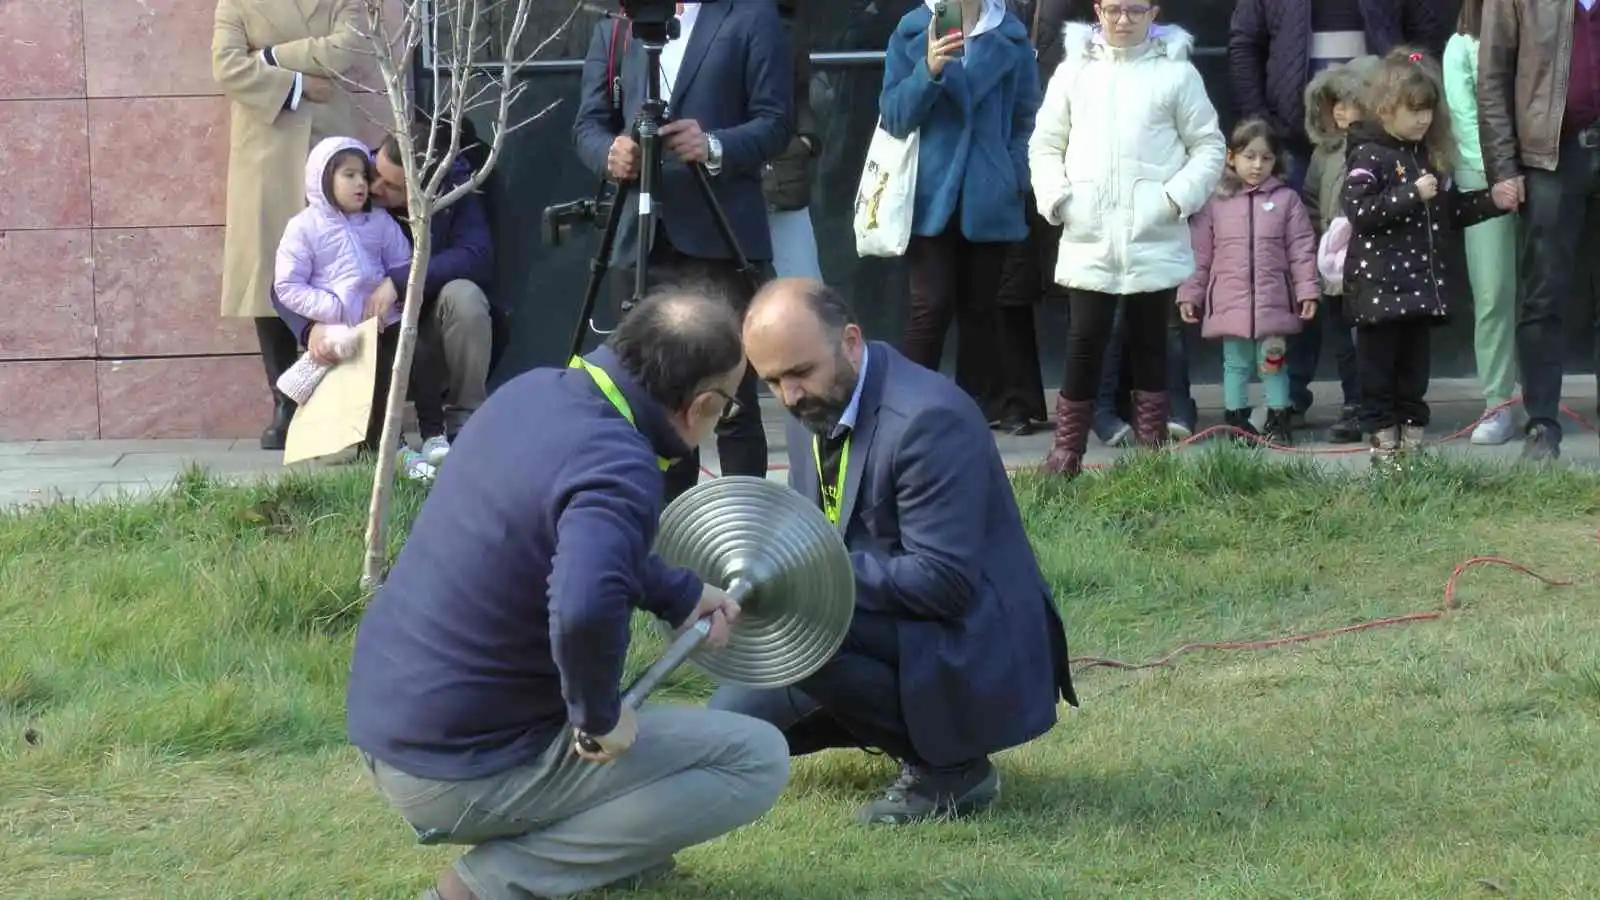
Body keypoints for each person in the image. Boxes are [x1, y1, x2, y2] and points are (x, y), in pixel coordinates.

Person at [345, 289, 791, 900]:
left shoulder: (534, 393)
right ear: (703, 405)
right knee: (755, 758)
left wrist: (680, 593)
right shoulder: (620, 466)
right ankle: (489, 886)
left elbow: (558, 541)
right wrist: (597, 717)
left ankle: (612, 851)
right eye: (728, 410)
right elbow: (582, 608)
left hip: (392, 723)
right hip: (455, 770)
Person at [712, 277, 1078, 825]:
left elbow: (944, 584)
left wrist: (811, 577)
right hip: (888, 618)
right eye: (771, 381)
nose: (789, 396)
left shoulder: (929, 421)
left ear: (851, 342)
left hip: (972, 641)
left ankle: (951, 769)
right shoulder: (813, 404)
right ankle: (875, 713)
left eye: (800, 373)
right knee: (724, 733)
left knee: (806, 633)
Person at [572, 2, 792, 501]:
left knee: (733, 400)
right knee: (650, 398)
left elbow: (776, 120)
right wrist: (611, 153)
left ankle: (741, 535)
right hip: (641, 238)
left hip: (720, 232)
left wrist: (713, 145)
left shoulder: (749, 16)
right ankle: (663, 537)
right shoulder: (617, 23)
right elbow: (587, 124)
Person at [1028, 16, 1226, 476]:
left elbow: (1209, 146)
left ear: (1153, 12)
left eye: (1135, 9)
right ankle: (1065, 455)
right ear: (1098, 10)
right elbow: (1044, 144)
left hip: (1152, 231)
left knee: (1150, 341)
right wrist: (1060, 200)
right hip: (1089, 232)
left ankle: (1152, 457)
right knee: (1084, 340)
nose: (1123, 19)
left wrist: (1174, 199)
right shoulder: (1074, 70)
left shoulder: (1177, 72)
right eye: (1114, 7)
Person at [1228, 0, 1439, 427]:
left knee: (1363, 285)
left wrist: (1404, 100)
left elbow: (1424, 37)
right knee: (1298, 273)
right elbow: (1244, 43)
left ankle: (1364, 400)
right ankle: (1290, 396)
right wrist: (1263, 121)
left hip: (1380, 139)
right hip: (1295, 141)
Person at [879, 0, 1043, 433]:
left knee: (980, 312)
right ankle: (905, 415)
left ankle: (968, 420)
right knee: (928, 307)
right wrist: (927, 71)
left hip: (989, 194)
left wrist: (1013, 173)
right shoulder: (913, 29)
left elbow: (1028, 117)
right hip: (930, 194)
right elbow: (894, 116)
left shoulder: (1009, 32)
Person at [1341, 47, 1509, 466]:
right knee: (1379, 377)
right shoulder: (1368, 154)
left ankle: (1412, 451)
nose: (1423, 119)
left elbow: (1449, 212)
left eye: (1429, 110)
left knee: (1414, 377)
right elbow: (1360, 211)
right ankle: (1384, 453)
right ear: (1385, 109)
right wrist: (1409, 194)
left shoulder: (1426, 156)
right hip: (1378, 295)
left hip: (1419, 292)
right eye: (1413, 110)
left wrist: (1493, 201)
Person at [276, 130, 497, 443]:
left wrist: (398, 281)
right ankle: (376, 441)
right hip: (355, 328)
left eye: (392, 186)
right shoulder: (339, 172)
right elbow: (285, 283)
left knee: (465, 297)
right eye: (373, 172)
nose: (372, 186)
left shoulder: (455, 191)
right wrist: (311, 329)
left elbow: (477, 256)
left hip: (420, 321)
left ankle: (463, 423)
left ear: (425, 190)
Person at [211, 0, 364, 451]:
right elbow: (227, 68)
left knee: (339, 270)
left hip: (330, 144)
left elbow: (347, 47)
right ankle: (285, 400)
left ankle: (339, 403)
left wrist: (272, 57)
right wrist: (297, 84)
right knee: (269, 277)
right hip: (265, 150)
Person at [1476, 0, 1587, 461]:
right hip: (1550, 158)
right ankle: (1542, 424)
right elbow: (1493, 78)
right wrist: (1503, 166)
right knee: (1543, 295)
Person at [1179, 119, 1320, 446]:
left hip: (1273, 303)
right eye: (1249, 156)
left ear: (1276, 161)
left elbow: (1301, 249)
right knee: (1236, 365)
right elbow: (1199, 254)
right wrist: (1190, 294)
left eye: (1266, 158)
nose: (1258, 165)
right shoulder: (1215, 203)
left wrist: (1307, 289)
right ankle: (1237, 424)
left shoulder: (1287, 201)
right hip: (1230, 303)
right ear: (1231, 157)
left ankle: (1278, 421)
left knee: (1274, 364)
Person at [1443, 0, 1519, 446]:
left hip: (1541, 171)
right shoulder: (1460, 45)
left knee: (1543, 290)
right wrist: (1497, 176)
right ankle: (1498, 402)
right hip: (1484, 181)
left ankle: (1545, 401)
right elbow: (1464, 119)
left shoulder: (1538, 38)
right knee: (1492, 293)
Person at [1302, 55, 1381, 443]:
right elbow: (1311, 202)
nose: (1343, 111)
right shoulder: (1323, 154)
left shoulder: (1381, 152)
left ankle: (1378, 405)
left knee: (1371, 341)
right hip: (1333, 270)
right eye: (1337, 103)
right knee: (1344, 344)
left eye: (1351, 102)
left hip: (1372, 265)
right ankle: (1353, 404)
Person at [765, 0, 824, 281]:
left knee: (802, 296)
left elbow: (799, 90)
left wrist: (805, 140)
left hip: (781, 171)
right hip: (712, 176)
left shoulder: (781, 18)